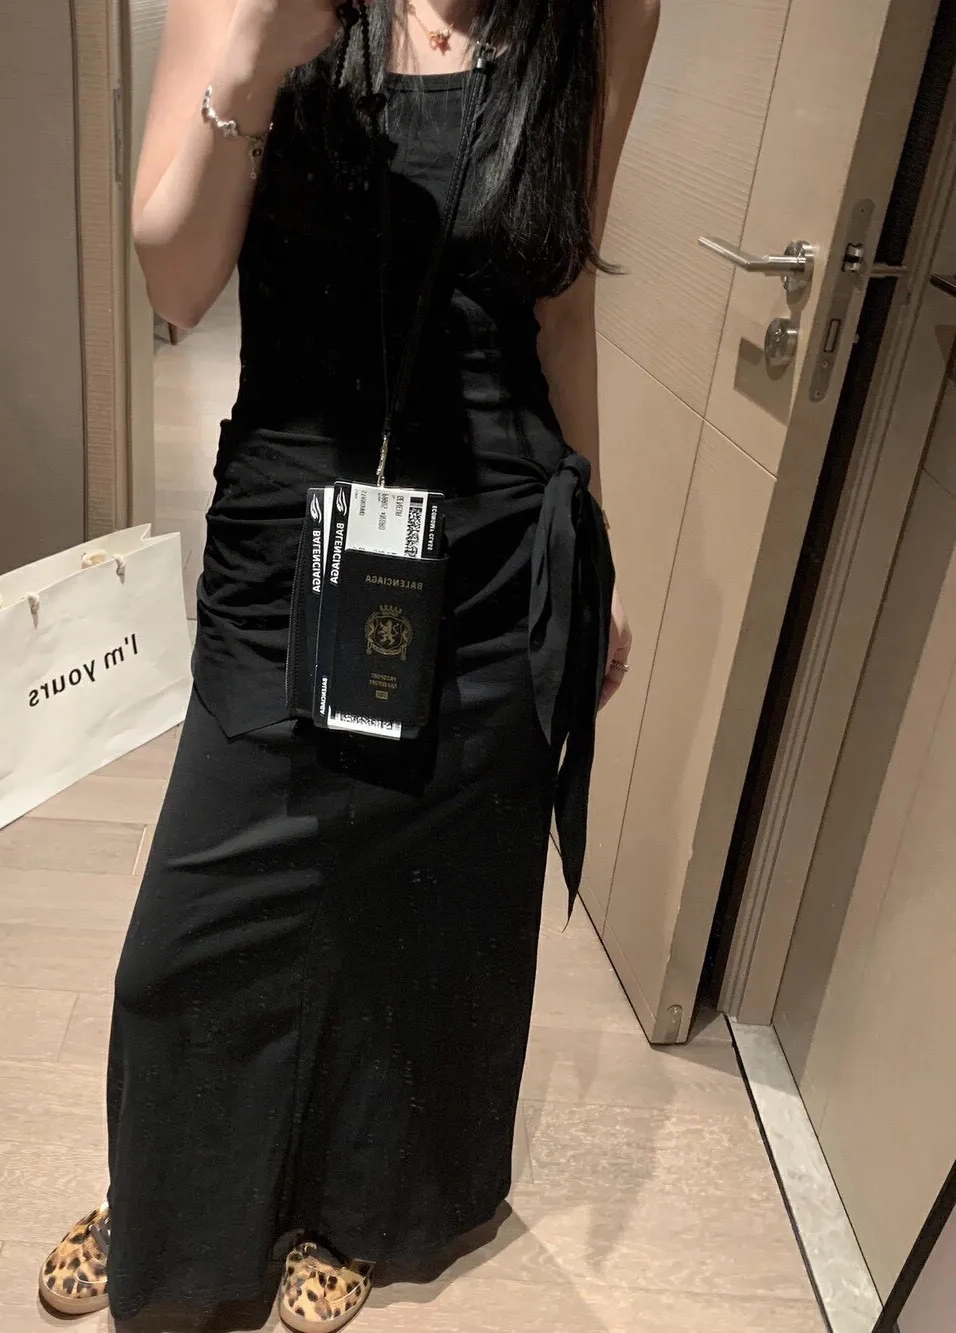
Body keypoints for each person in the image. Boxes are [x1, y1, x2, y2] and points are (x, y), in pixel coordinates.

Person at [39, 0, 657, 1325]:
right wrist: (257, 54)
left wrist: (591, 543)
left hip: (497, 558)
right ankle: (176, 1203)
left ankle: (355, 1202)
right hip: (295, 544)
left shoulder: (602, 11)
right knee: (192, 944)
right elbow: (172, 282)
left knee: (422, 918)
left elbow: (560, 308)